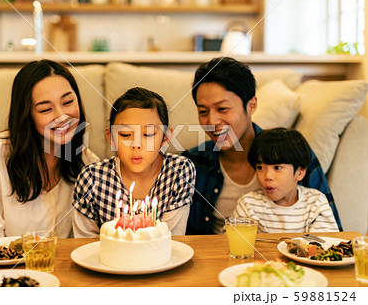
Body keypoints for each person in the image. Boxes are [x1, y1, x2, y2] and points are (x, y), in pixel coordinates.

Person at [181, 57, 342, 234]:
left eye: (223, 109)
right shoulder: (191, 164)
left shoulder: (292, 155)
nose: (212, 121)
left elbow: (332, 236)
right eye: (203, 112)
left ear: (251, 105)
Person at [0, 59, 98, 241]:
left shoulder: (87, 162)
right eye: (45, 109)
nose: (61, 116)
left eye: (68, 102)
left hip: (52, 265)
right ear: (27, 115)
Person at [72, 87, 195, 237]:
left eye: (148, 134)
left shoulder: (178, 171)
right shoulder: (92, 178)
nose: (136, 144)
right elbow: (84, 244)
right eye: (126, 134)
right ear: (110, 137)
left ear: (166, 137)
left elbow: (171, 241)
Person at [231, 128, 339, 233]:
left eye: (277, 168)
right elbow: (230, 244)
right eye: (260, 168)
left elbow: (323, 246)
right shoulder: (248, 205)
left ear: (299, 172)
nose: (268, 176)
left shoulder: (315, 203)